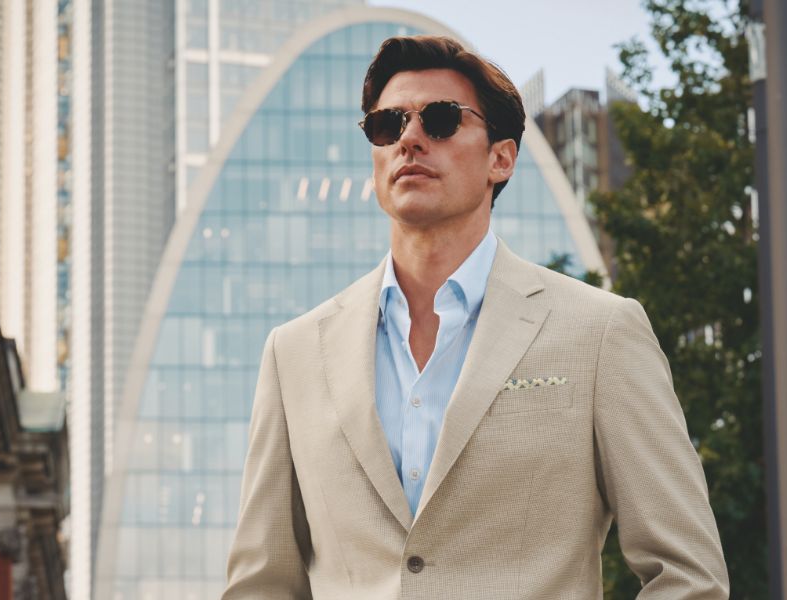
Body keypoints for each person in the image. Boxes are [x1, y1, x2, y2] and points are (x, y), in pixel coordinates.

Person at [223, 35, 729, 599]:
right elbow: (261, 583)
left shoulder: (600, 331)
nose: (410, 139)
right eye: (387, 126)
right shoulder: (294, 352)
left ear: (501, 158)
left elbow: (687, 573)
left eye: (439, 120)